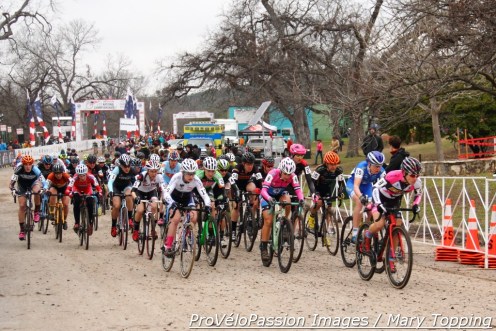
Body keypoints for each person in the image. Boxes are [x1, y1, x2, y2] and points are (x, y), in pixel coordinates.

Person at [362, 157, 422, 271]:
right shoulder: (392, 176)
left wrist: (415, 205)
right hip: (379, 198)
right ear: (404, 172)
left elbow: (418, 194)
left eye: (417, 175)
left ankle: (390, 258)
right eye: (412, 175)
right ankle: (367, 236)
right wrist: (378, 204)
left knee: (397, 225)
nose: (415, 178)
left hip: (394, 202)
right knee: (379, 224)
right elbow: (375, 188)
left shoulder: (417, 182)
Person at [162, 158, 211, 255]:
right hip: (174, 198)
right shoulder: (177, 177)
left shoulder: (196, 180)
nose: (191, 176)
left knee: (194, 217)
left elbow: (204, 194)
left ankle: (184, 235)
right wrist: (172, 203)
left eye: (193, 173)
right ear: (183, 172)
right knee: (176, 219)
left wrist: (207, 205)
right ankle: (168, 246)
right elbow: (166, 193)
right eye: (188, 174)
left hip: (188, 198)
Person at [259, 157, 304, 262]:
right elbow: (263, 190)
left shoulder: (293, 176)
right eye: (285, 174)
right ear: (281, 170)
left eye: (289, 174)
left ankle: (284, 222)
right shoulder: (273, 173)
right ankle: (264, 247)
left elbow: (298, 190)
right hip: (267, 195)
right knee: (268, 220)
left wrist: (301, 199)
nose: (287, 176)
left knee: (288, 200)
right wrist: (269, 198)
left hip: (280, 194)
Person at [345, 151, 386, 242]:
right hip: (353, 184)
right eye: (376, 166)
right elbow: (356, 186)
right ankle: (355, 233)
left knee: (371, 208)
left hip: (367, 186)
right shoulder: (361, 167)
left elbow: (385, 186)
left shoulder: (382, 170)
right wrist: (361, 197)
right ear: (369, 163)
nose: (378, 168)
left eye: (380, 165)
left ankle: (367, 230)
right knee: (360, 202)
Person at [307, 152, 346, 238]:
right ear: (326, 163)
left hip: (327, 189)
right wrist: (314, 193)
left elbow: (341, 184)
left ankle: (329, 226)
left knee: (329, 207)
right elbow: (311, 182)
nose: (334, 166)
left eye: (335, 164)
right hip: (316, 188)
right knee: (319, 203)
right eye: (331, 164)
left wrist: (340, 193)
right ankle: (311, 217)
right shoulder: (320, 169)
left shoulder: (339, 170)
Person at [9, 155, 48, 240]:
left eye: (29, 164)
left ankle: (37, 211)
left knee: (37, 191)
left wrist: (44, 189)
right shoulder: (18, 169)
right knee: (22, 206)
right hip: (22, 187)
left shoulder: (36, 170)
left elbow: (44, 182)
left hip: (33, 184)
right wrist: (13, 189)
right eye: (25, 164)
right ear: (23, 164)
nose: (27, 166)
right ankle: (22, 230)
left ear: (32, 164)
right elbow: (12, 183)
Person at [230, 152, 263, 240]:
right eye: (248, 164)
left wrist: (262, 190)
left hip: (246, 184)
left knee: (253, 188)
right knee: (237, 206)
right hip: (236, 186)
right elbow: (232, 181)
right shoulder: (237, 168)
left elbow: (260, 180)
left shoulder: (254, 168)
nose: (250, 166)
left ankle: (250, 211)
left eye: (251, 164)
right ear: (243, 164)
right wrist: (236, 192)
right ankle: (233, 230)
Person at [131, 160, 166, 242]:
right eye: (152, 171)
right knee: (140, 210)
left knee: (154, 206)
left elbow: (164, 189)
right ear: (147, 170)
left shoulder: (159, 177)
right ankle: (136, 230)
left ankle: (153, 229)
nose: (154, 174)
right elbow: (133, 190)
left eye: (156, 171)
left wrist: (165, 198)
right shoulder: (141, 176)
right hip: (140, 192)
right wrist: (135, 198)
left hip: (151, 192)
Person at [66, 164, 102, 234]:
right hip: (77, 189)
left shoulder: (91, 176)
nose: (81, 177)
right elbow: (67, 189)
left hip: (87, 189)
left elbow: (99, 188)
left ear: (86, 174)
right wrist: (70, 193)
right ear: (77, 174)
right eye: (80, 175)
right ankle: (77, 223)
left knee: (90, 202)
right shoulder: (74, 178)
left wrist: (99, 193)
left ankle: (90, 223)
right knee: (76, 202)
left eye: (83, 175)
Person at [108, 154, 136, 237]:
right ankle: (113, 226)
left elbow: (136, 181)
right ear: (121, 165)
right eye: (124, 166)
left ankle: (130, 218)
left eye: (128, 166)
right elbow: (110, 182)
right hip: (116, 187)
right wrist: (111, 191)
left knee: (129, 195)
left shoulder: (132, 170)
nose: (127, 168)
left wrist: (135, 190)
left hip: (126, 186)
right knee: (116, 206)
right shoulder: (116, 170)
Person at [46, 164, 71, 229]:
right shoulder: (50, 176)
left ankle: (64, 220)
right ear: (53, 173)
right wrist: (46, 190)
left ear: (62, 172)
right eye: (56, 174)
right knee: (52, 193)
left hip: (64, 188)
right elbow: (46, 184)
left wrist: (72, 191)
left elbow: (72, 182)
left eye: (60, 173)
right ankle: (51, 212)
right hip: (54, 187)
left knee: (65, 204)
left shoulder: (66, 175)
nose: (58, 175)